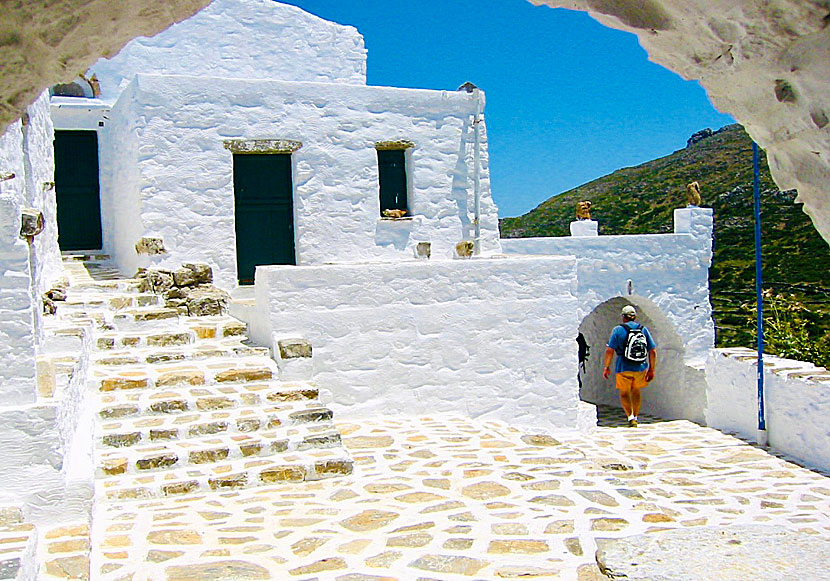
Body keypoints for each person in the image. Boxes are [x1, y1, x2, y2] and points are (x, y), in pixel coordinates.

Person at [602, 305, 657, 427]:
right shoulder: (643, 329)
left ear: (623, 317)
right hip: (641, 367)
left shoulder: (618, 330)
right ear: (635, 317)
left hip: (623, 367)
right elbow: (652, 351)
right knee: (636, 391)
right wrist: (651, 369)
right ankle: (636, 416)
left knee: (624, 393)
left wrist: (606, 366)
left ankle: (630, 417)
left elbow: (610, 350)